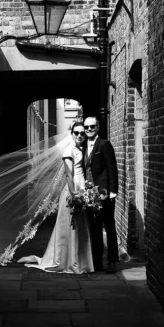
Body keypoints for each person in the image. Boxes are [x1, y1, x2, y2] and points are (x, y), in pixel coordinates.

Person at [25, 119, 94, 274]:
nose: (80, 136)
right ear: (72, 134)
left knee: (80, 226)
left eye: (82, 133)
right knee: (72, 226)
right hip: (74, 189)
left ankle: (80, 261)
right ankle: (70, 262)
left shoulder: (80, 149)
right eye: (77, 133)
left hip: (82, 186)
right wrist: (74, 194)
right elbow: (69, 175)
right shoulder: (69, 150)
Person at [82, 115, 119, 273]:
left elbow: (112, 169)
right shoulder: (83, 146)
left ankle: (112, 261)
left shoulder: (105, 145)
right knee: (94, 228)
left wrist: (112, 192)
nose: (89, 129)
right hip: (90, 194)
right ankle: (97, 263)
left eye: (92, 126)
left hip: (104, 193)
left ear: (97, 127)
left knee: (109, 227)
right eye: (87, 127)